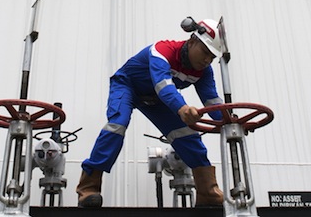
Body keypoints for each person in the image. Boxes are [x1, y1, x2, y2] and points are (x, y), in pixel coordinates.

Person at [76, 18, 226, 208]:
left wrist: (228, 121)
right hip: (127, 86)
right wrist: (183, 109)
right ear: (192, 41)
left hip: (156, 99)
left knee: (188, 135)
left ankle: (207, 193)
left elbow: (212, 100)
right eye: (205, 52)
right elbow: (163, 85)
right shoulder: (162, 50)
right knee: (117, 125)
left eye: (212, 57)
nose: (207, 60)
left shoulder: (204, 71)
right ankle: (88, 187)